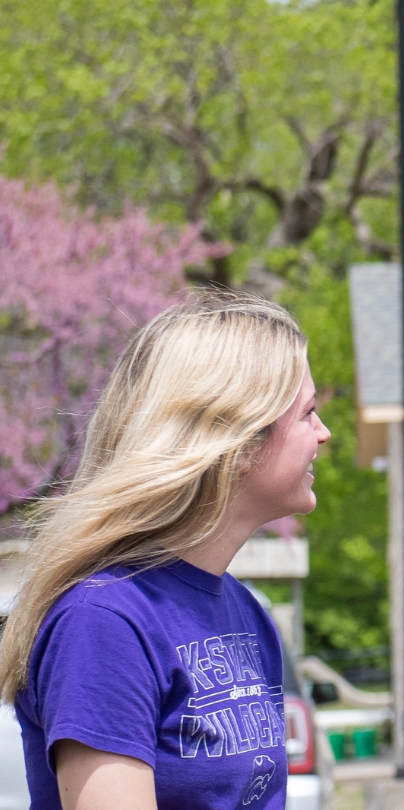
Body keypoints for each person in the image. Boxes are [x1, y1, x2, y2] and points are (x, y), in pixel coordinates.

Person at [0, 293, 330, 810]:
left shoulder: (247, 615)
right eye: (308, 413)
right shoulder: (103, 623)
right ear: (238, 439)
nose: (324, 434)